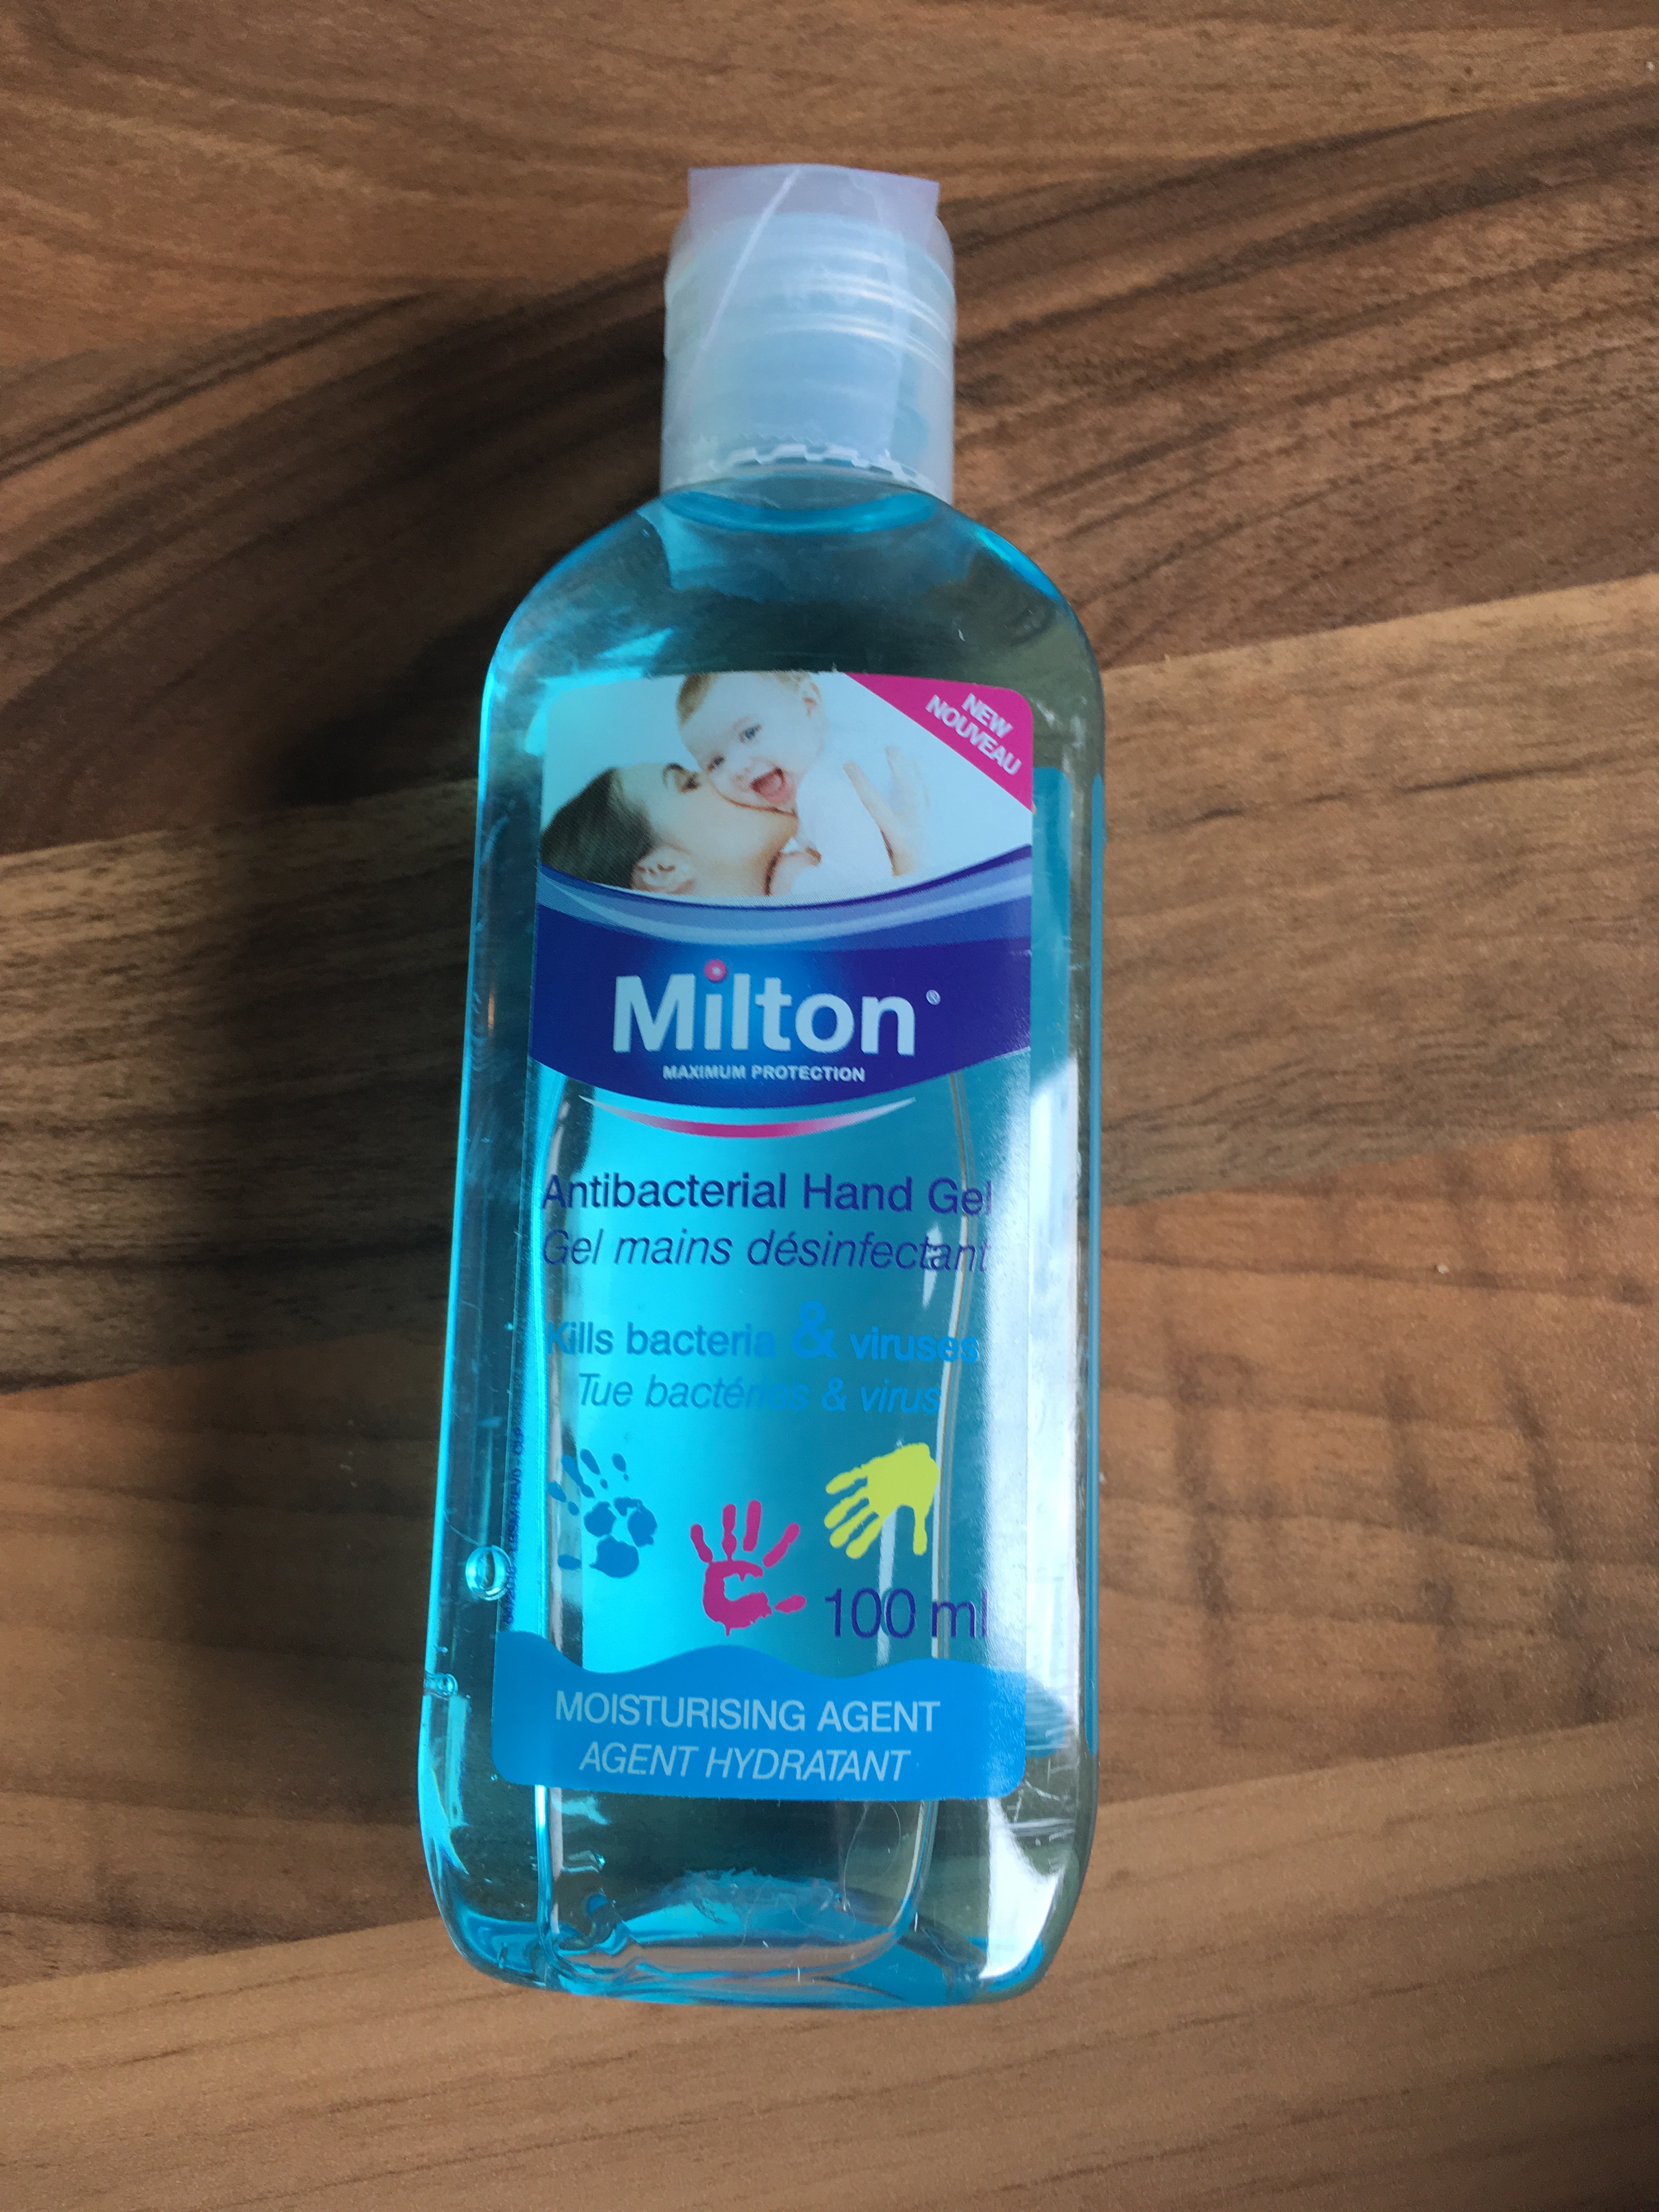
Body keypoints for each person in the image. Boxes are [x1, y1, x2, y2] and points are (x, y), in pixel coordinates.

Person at [676, 670, 928, 900]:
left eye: (750, 733)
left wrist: (792, 880)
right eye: (717, 762)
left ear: (809, 707)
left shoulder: (823, 788)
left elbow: (861, 885)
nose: (737, 768)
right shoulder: (825, 757)